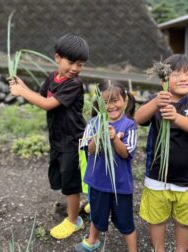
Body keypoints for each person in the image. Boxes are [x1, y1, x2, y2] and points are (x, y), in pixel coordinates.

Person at [9, 33, 89, 239]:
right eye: (71, 62)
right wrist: (22, 85)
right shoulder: (52, 78)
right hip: (58, 139)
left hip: (74, 140)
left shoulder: (74, 84)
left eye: (80, 65)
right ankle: (90, 204)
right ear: (57, 58)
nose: (75, 69)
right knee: (65, 177)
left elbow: (47, 104)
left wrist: (21, 92)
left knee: (71, 183)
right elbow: (40, 97)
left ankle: (74, 220)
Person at [134, 54, 188, 252]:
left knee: (184, 221)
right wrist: (156, 103)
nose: (183, 78)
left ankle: (180, 250)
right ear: (163, 81)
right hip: (156, 176)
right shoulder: (156, 100)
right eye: (175, 74)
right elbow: (138, 119)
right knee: (156, 218)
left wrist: (175, 117)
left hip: (187, 179)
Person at [75, 80, 138, 252]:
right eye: (105, 101)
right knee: (97, 215)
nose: (110, 106)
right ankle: (92, 240)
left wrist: (114, 138)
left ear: (124, 101)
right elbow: (90, 150)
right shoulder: (93, 123)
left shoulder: (130, 125)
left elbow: (126, 153)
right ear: (99, 103)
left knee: (125, 221)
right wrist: (99, 136)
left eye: (115, 100)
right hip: (97, 182)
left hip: (120, 185)